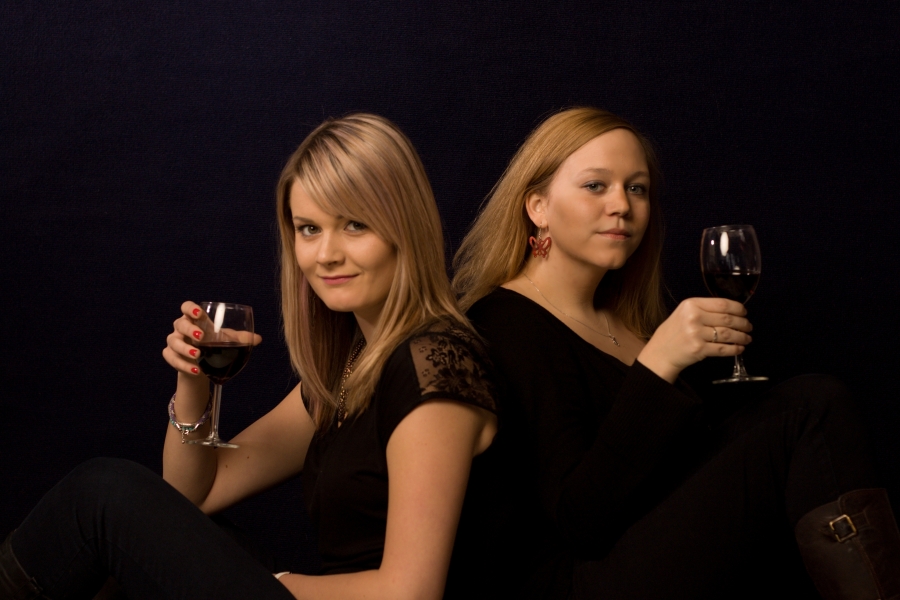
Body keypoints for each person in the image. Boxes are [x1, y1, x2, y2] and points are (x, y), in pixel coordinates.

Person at [0, 114, 497, 599]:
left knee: (104, 494)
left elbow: (410, 591)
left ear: (404, 228)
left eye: (354, 224)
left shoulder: (435, 368)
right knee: (142, 537)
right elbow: (193, 496)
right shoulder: (352, 370)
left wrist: (270, 585)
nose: (326, 254)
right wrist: (194, 378)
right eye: (309, 229)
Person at [451, 107, 900, 599]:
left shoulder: (628, 322)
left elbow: (675, 477)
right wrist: (658, 365)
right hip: (574, 582)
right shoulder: (503, 322)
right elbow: (579, 522)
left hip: (641, 557)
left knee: (807, 418)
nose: (622, 205)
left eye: (637, 188)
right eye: (596, 186)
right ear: (538, 207)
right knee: (810, 407)